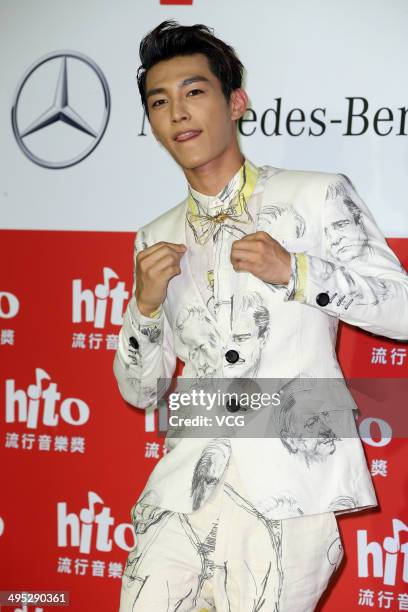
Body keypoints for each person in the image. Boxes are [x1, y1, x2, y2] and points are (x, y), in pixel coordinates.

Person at [113, 20, 408, 611]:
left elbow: (401, 311)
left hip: (288, 486)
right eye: (159, 102)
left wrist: (298, 272)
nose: (178, 113)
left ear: (236, 101)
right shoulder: (155, 236)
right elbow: (139, 389)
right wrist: (144, 308)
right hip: (182, 485)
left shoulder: (316, 197)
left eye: (195, 92)